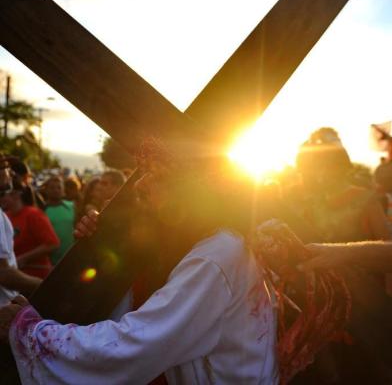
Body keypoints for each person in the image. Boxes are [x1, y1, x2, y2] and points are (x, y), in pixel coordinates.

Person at [0, 140, 352, 385]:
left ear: (189, 192)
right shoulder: (190, 243)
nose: (142, 184)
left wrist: (29, 330)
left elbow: (137, 346)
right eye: (143, 172)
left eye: (158, 174)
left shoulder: (216, 256)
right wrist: (100, 245)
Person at [1, 178, 60, 279]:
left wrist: (22, 259)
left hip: (37, 278)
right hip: (17, 281)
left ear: (15, 194)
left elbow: (53, 244)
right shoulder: (5, 217)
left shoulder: (33, 214)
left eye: (2, 195)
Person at [44, 176, 75, 265]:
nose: (56, 190)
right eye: (52, 187)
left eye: (59, 187)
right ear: (46, 190)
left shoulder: (71, 206)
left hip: (71, 257)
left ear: (63, 190)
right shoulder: (42, 209)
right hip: (51, 261)